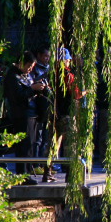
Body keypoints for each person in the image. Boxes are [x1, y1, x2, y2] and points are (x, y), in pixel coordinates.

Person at [3, 51, 48, 184]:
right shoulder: (12, 76)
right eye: (29, 65)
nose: (30, 69)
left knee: (31, 145)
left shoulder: (26, 76)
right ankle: (22, 175)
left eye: (32, 66)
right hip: (21, 115)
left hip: (32, 114)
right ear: (21, 63)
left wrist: (40, 89)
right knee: (23, 145)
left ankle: (27, 172)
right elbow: (17, 97)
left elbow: (30, 91)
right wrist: (33, 89)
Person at [49, 47, 84, 178]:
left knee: (54, 143)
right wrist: (84, 92)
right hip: (66, 113)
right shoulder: (67, 75)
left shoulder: (51, 74)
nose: (69, 62)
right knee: (70, 142)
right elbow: (76, 94)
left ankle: (48, 170)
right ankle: (70, 171)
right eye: (68, 60)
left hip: (53, 113)